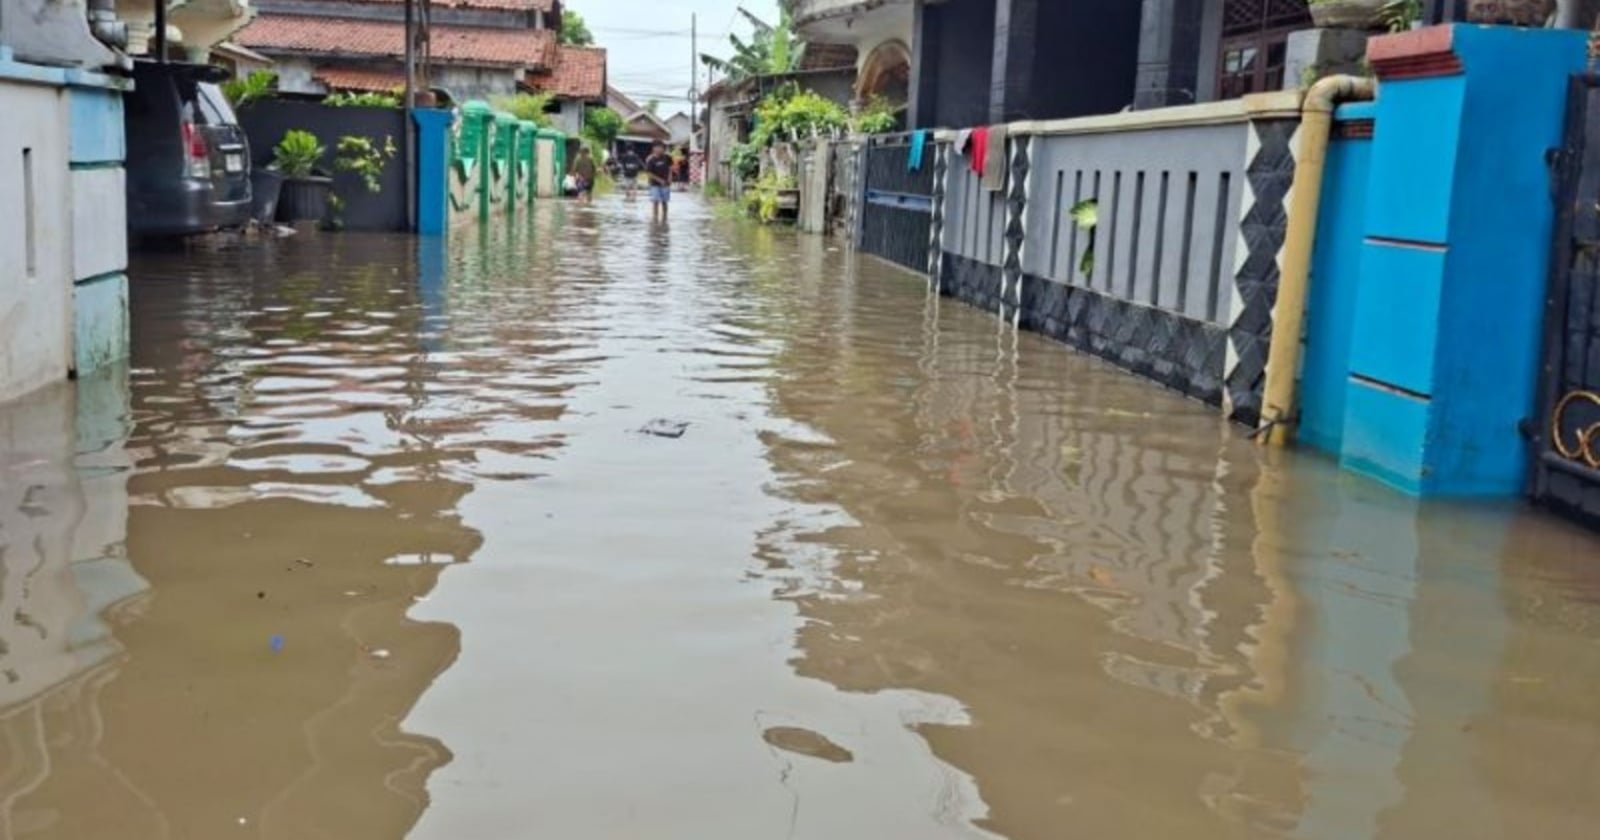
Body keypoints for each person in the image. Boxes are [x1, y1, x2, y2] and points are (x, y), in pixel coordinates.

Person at [645, 141, 673, 222]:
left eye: (661, 147)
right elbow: (649, 173)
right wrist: (660, 180)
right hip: (654, 184)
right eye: (657, 147)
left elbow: (670, 168)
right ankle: (655, 219)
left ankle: (665, 218)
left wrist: (670, 178)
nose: (659, 149)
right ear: (653, 149)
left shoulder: (667, 157)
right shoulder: (650, 159)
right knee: (655, 201)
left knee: (665, 202)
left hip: (666, 183)